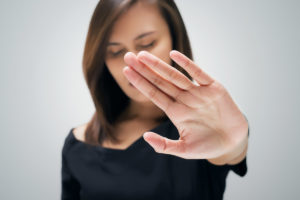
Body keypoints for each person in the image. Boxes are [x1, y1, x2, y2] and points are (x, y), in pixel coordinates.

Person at [61, 0, 250, 199]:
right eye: (115, 52)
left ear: (174, 39)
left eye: (147, 44)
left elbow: (229, 150)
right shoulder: (78, 144)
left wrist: (233, 146)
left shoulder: (207, 127)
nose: (132, 62)